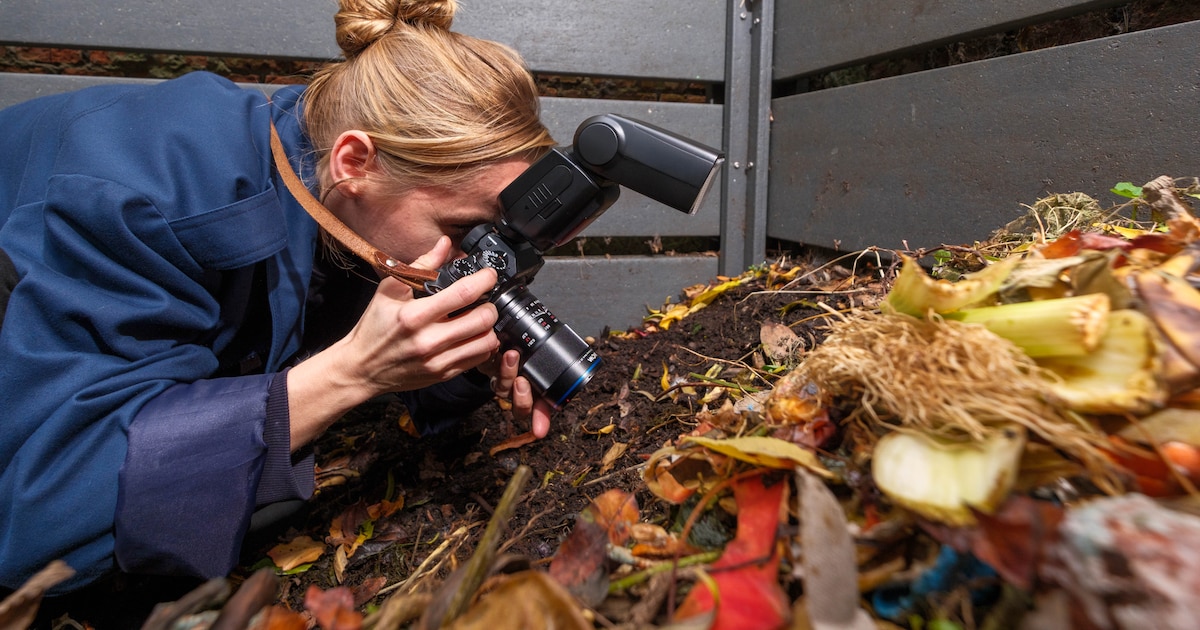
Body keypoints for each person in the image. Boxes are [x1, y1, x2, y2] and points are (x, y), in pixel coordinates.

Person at [0, 0, 557, 596]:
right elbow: (38, 527)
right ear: (354, 161)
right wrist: (351, 374)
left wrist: (460, 366)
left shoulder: (328, 179)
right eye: (458, 227)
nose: (472, 256)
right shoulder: (143, 196)